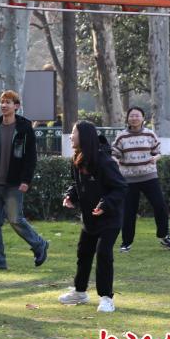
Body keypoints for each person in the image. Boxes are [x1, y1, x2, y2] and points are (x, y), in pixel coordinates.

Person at [61, 121, 127, 313]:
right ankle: (80, 292)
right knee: (84, 252)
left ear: (84, 136)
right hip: (89, 219)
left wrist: (105, 204)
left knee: (103, 253)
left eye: (74, 132)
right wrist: (71, 196)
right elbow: (77, 184)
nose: (71, 136)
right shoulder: (77, 158)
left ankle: (106, 298)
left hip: (110, 218)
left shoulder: (105, 161)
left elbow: (120, 187)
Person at [0, 90, 49, 270]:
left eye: (8, 102)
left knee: (15, 219)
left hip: (14, 184)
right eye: (2, 102)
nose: (4, 105)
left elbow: (31, 157)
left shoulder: (25, 128)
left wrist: (26, 180)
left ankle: (39, 244)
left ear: (16, 106)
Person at [112, 107, 170, 252]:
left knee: (160, 206)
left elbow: (157, 152)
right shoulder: (121, 136)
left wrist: (156, 158)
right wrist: (115, 160)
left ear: (143, 118)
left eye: (137, 115)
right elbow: (114, 153)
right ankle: (126, 243)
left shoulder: (149, 134)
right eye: (131, 116)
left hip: (149, 176)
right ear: (127, 119)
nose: (134, 118)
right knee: (129, 212)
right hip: (129, 179)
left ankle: (164, 236)